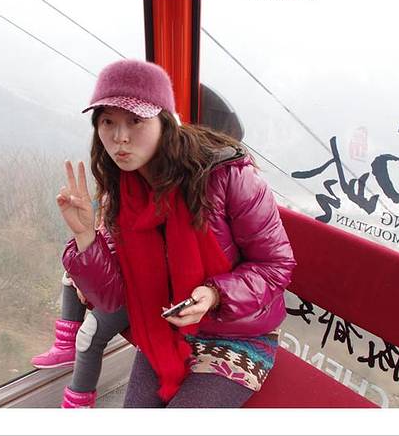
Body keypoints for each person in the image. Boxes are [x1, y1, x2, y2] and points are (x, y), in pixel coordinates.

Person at [59, 59, 296, 407]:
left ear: (165, 122)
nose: (120, 137)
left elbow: (276, 265)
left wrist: (215, 295)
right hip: (165, 327)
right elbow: (113, 297)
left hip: (238, 333)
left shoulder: (227, 176)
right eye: (108, 122)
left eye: (135, 121)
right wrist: (85, 238)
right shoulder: (124, 192)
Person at [30, 272, 128, 408]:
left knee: (89, 334)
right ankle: (66, 344)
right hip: (119, 275)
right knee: (73, 272)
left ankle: (78, 405)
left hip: (138, 288)